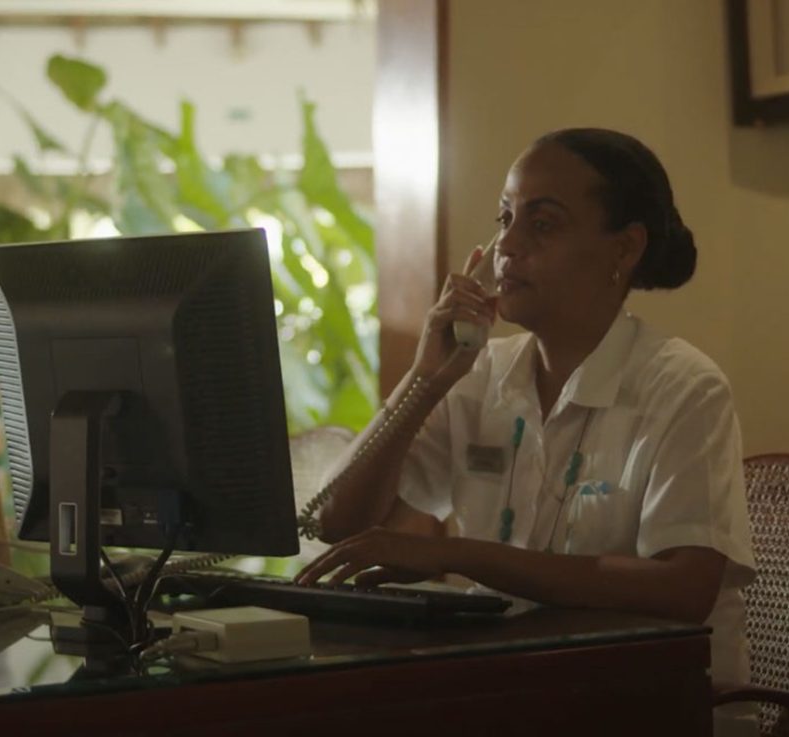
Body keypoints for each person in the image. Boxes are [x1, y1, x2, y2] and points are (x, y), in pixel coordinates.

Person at [297, 128, 756, 733]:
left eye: (542, 224)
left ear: (624, 249)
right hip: (520, 695)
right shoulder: (481, 373)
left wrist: (457, 553)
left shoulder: (683, 387)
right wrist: (423, 380)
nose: (504, 246)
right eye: (505, 218)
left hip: (652, 707)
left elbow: (682, 588)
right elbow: (336, 523)